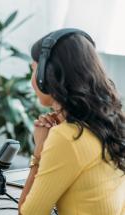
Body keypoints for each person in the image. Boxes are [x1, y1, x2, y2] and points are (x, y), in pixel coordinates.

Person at [18, 29, 125, 215]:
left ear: (46, 76)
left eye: (34, 70)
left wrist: (39, 153)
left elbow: (28, 213)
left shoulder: (67, 137)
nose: (32, 80)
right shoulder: (112, 121)